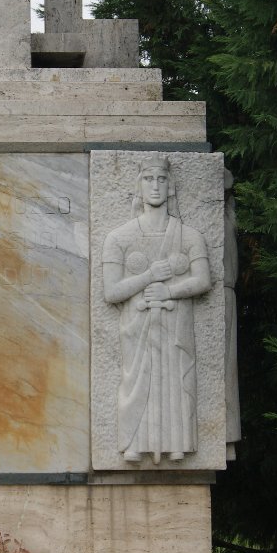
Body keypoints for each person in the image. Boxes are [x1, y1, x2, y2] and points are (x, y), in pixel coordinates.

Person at [102, 157, 210, 464]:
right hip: (136, 327)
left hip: (175, 327)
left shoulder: (189, 236)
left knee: (174, 384)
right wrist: (149, 277)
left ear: (171, 185)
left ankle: (178, 443)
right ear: (138, 185)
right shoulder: (118, 238)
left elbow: (203, 280)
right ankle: (133, 442)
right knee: (137, 382)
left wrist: (170, 290)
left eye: (161, 179)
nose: (155, 185)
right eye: (148, 178)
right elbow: (111, 292)